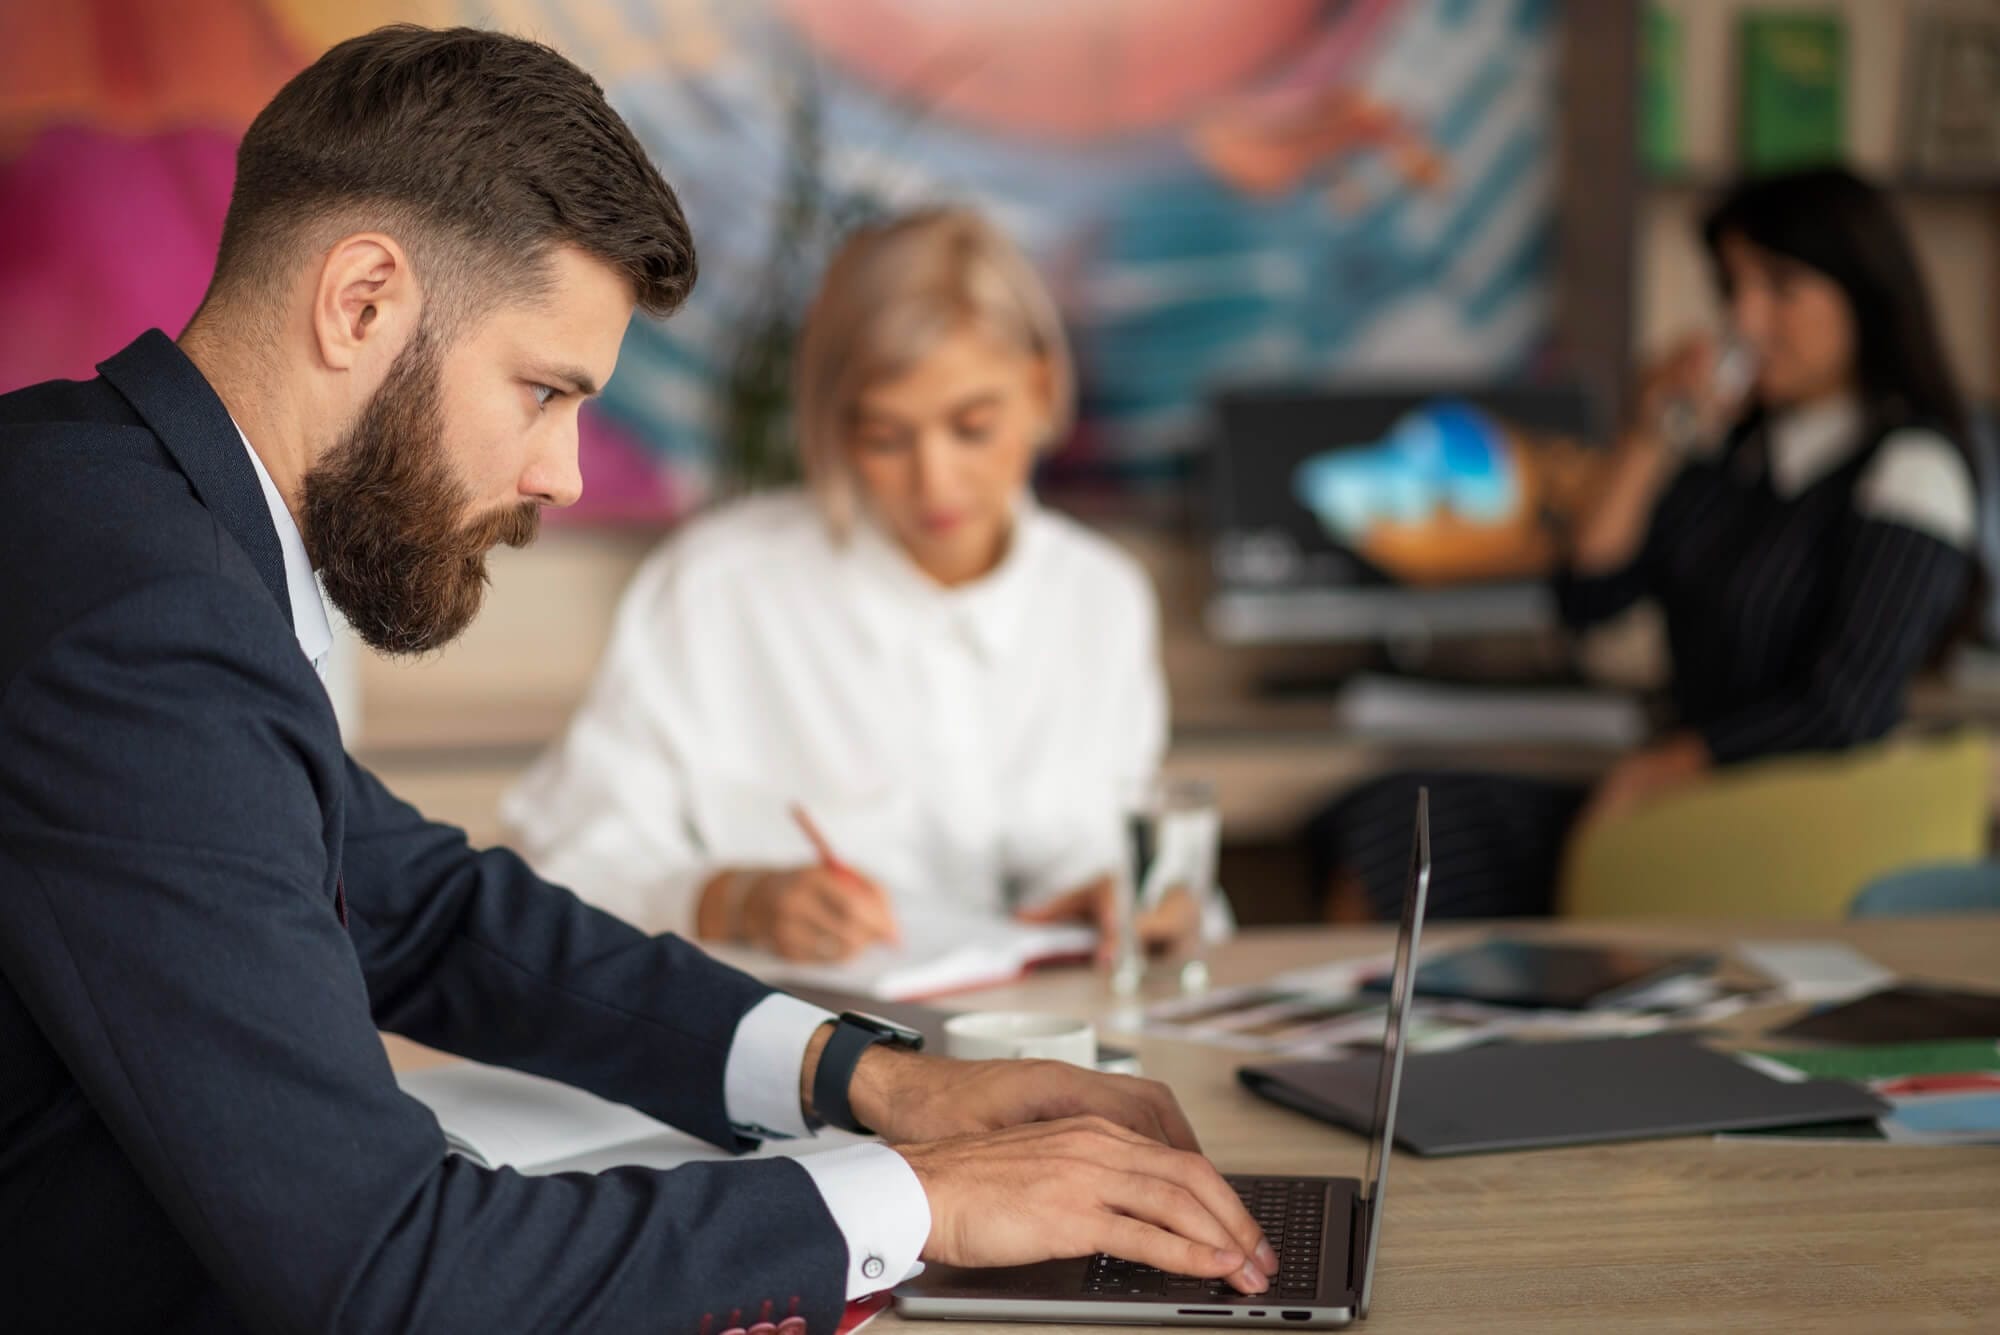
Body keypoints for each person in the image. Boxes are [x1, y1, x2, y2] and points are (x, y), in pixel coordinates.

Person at [0, 27, 1281, 1334]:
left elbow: (428, 913)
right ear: (362, 301)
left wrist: (876, 1084)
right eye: (543, 389)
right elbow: (391, 1264)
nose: (562, 474)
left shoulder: (109, 507)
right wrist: (919, 1197)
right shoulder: (141, 627)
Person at [504, 208, 1204, 962]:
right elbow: (561, 859)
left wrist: (1122, 896)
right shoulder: (720, 590)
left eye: (972, 427)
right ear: (835, 426)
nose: (934, 480)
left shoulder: (1101, 598)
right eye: (885, 437)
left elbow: (1121, 854)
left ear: (1038, 390)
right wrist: (736, 899)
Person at [1312, 166, 1981, 921]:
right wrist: (1646, 436)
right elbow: (1586, 598)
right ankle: (1374, 1035)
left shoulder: (1910, 470)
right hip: (1690, 796)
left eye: (1780, 289)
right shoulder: (1738, 458)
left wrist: (1665, 766)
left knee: (1414, 831)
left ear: (1864, 296)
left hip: (1782, 819)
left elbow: (1846, 707)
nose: (1747, 322)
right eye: (1733, 291)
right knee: (1393, 817)